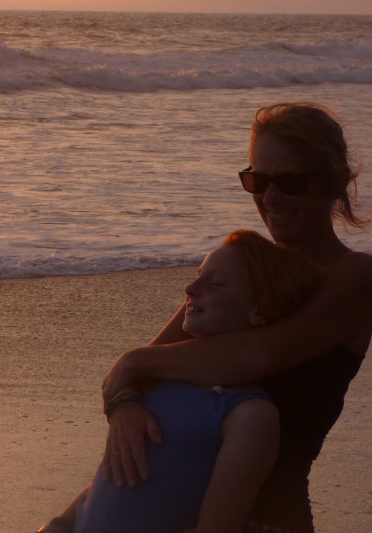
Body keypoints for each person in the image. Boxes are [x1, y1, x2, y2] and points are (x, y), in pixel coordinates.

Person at [39, 102, 372, 533]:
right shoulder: (244, 273)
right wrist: (124, 403)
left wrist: (131, 363)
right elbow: (142, 381)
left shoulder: (354, 276)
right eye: (257, 180)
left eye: (289, 182)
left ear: (333, 184)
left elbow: (255, 356)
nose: (269, 198)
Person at [62, 230, 319, 533]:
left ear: (259, 310)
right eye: (198, 276)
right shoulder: (155, 381)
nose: (190, 288)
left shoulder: (249, 416)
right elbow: (111, 481)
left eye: (214, 283)